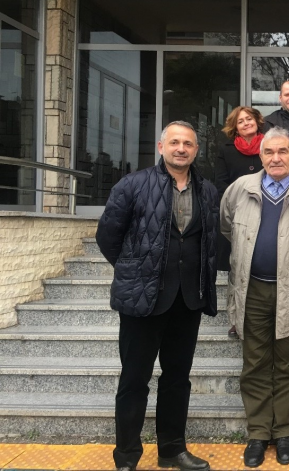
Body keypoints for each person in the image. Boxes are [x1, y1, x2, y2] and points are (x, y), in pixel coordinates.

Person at [96, 121, 218, 471]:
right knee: (134, 379)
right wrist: (133, 269)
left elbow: (209, 241)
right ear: (161, 147)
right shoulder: (132, 185)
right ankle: (127, 457)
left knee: (177, 379)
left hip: (187, 300)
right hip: (141, 300)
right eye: (175, 142)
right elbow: (108, 236)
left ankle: (171, 451)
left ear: (196, 150)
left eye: (189, 144)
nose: (182, 148)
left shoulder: (207, 191)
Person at [220, 127, 289, 468]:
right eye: (269, 153)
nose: (276, 158)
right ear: (260, 156)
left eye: (283, 152)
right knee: (254, 364)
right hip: (253, 291)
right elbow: (226, 227)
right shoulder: (240, 189)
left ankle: (284, 433)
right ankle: (259, 433)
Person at [214, 106, 265, 339]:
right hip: (238, 214)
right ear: (234, 127)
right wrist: (236, 207)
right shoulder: (226, 150)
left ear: (257, 121)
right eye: (240, 121)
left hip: (268, 212)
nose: (246, 123)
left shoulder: (270, 145)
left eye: (249, 119)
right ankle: (236, 319)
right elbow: (221, 183)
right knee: (238, 269)